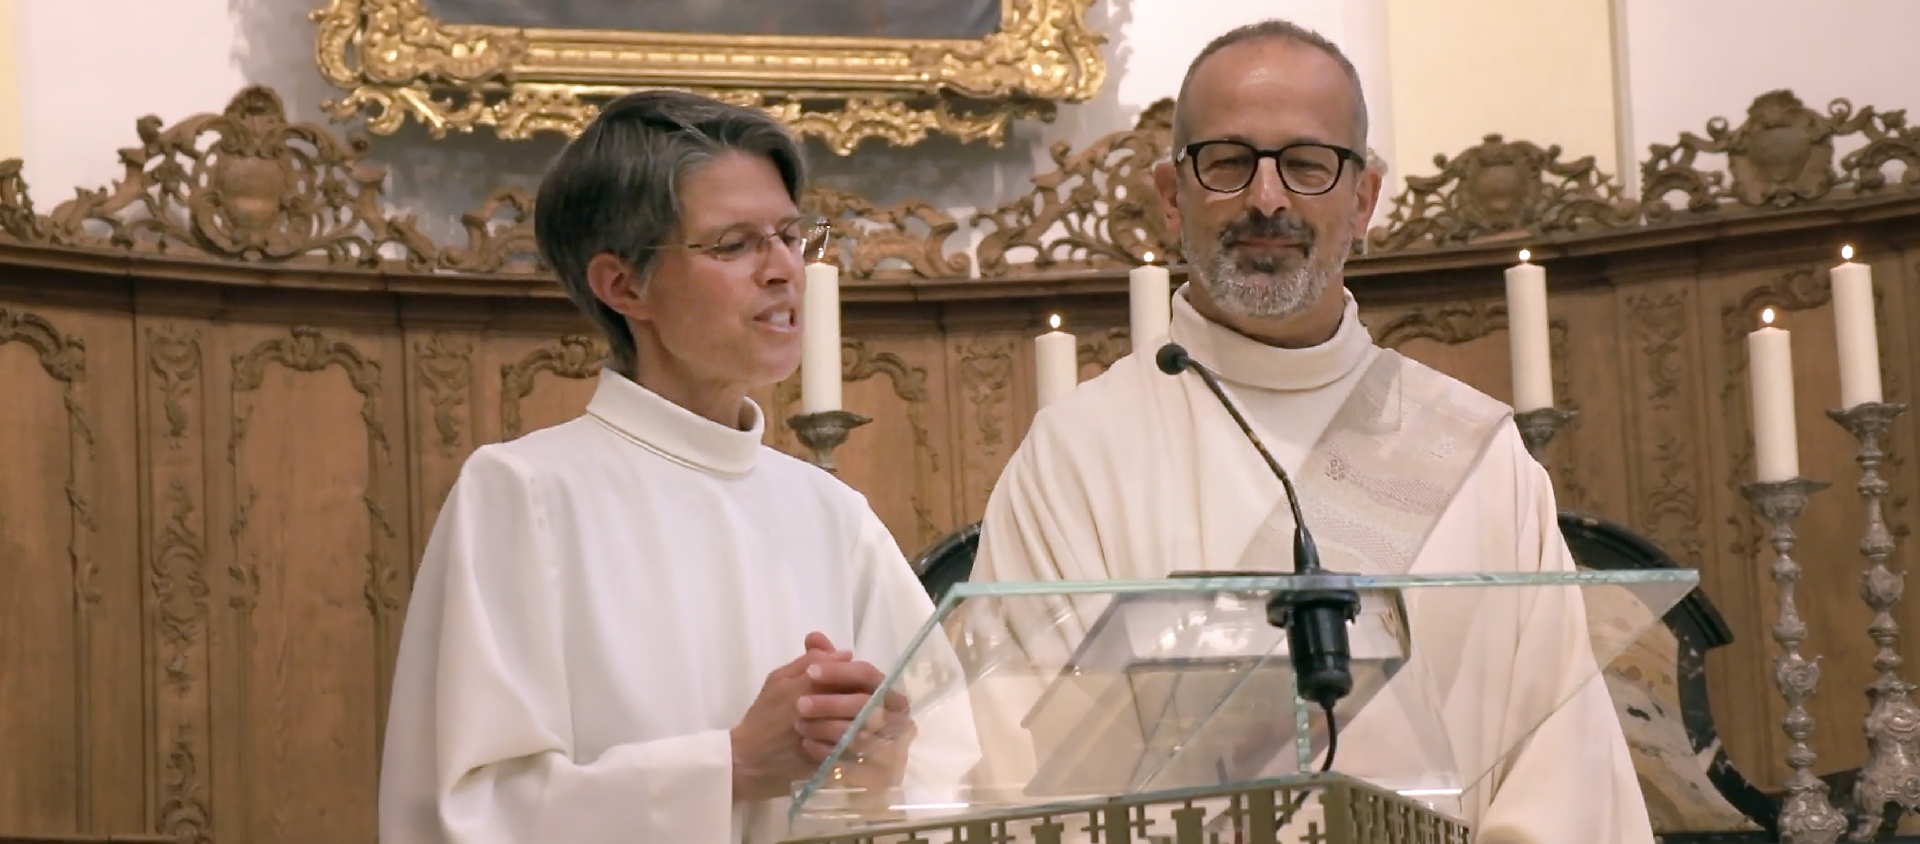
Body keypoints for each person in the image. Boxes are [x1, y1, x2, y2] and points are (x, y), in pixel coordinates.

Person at [967, 19, 1655, 844]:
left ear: (1363, 199)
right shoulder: (1078, 457)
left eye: (1306, 163)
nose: (1267, 199)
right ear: (1170, 195)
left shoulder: (1477, 457)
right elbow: (1026, 766)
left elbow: (1562, 773)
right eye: (1228, 161)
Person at [378, 90, 975, 844]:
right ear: (623, 285)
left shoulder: (830, 513)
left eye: (791, 235)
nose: (785, 269)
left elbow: (956, 765)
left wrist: (882, 772)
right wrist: (728, 768)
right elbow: (465, 813)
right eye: (735, 245)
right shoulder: (524, 496)